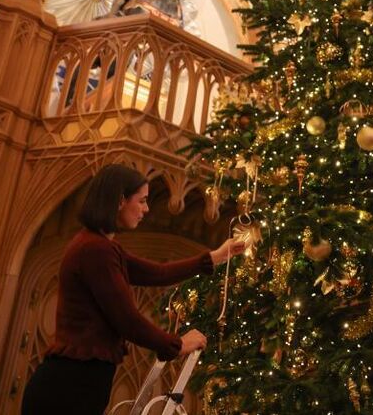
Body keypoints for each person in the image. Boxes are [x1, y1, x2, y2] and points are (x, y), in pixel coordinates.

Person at [21, 164, 247, 415]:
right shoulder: (94, 249)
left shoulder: (103, 246)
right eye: (141, 201)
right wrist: (177, 344)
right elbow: (127, 320)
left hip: (77, 383)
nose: (146, 209)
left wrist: (215, 257)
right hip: (68, 387)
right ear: (120, 201)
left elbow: (157, 273)